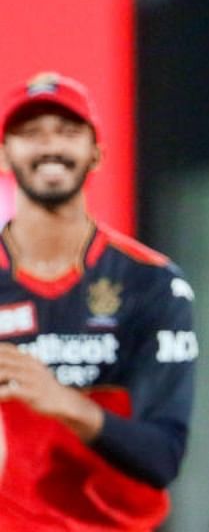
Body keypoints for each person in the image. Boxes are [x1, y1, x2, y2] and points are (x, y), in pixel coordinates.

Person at [0, 72, 198, 530]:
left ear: (97, 153)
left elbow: (163, 457)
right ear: (5, 154)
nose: (50, 146)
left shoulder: (152, 283)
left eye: (68, 133)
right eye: (31, 134)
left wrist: (61, 402)